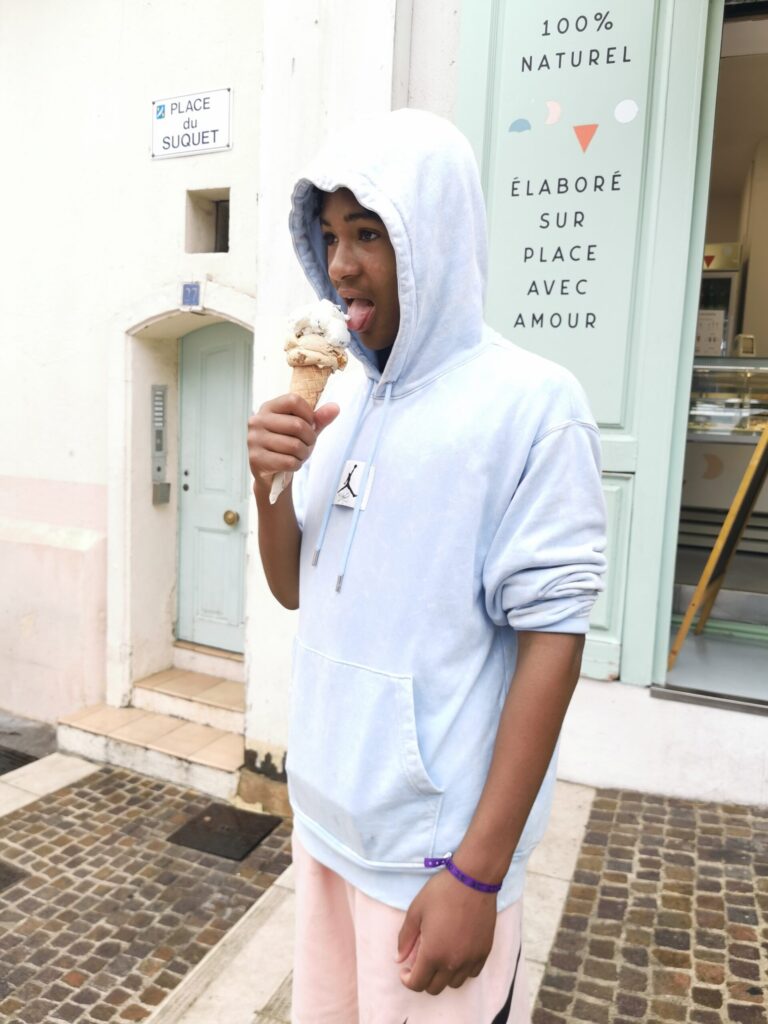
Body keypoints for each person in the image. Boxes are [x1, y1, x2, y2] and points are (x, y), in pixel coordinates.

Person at [247, 108, 606, 1023]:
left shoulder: (532, 406)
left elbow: (552, 644)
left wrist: (477, 874)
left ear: (434, 236)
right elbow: (295, 588)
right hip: (328, 832)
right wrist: (270, 484)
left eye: (368, 233)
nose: (340, 266)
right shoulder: (343, 400)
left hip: (431, 863)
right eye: (328, 236)